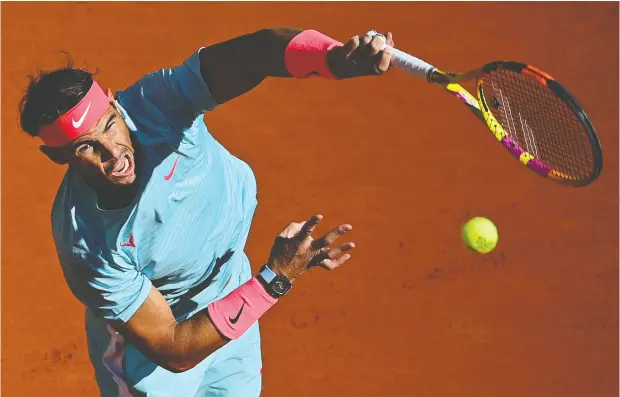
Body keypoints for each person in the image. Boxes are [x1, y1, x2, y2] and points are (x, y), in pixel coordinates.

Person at [18, 28, 394, 396]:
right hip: (160, 355)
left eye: (110, 126)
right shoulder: (88, 244)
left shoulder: (156, 104)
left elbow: (255, 53)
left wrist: (332, 59)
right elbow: (173, 347)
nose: (113, 153)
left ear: (116, 104)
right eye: (87, 147)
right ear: (57, 157)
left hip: (232, 293)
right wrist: (276, 277)